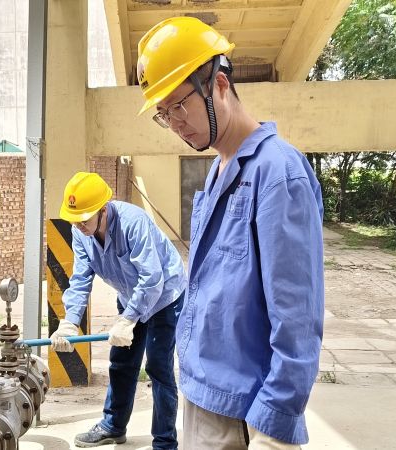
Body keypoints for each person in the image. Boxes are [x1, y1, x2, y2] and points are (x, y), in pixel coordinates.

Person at [136, 17, 324, 450]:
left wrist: (274, 427)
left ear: (219, 83)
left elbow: (297, 319)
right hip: (201, 396)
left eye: (178, 105)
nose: (176, 123)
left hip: (244, 414)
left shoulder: (278, 174)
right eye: (164, 114)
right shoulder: (217, 174)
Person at [49, 171, 186, 449]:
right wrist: (69, 322)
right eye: (73, 221)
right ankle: (113, 426)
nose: (79, 226)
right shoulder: (81, 232)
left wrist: (128, 320)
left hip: (164, 297)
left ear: (103, 210)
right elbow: (80, 278)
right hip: (129, 296)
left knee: (158, 368)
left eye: (84, 220)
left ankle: (164, 441)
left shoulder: (133, 223)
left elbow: (152, 279)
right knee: (122, 363)